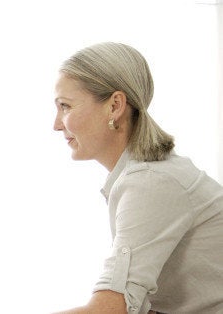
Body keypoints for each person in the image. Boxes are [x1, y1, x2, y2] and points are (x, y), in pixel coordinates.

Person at [51, 42, 223, 314]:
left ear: (115, 105)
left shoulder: (151, 182)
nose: (57, 124)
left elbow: (111, 309)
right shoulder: (145, 177)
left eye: (65, 106)